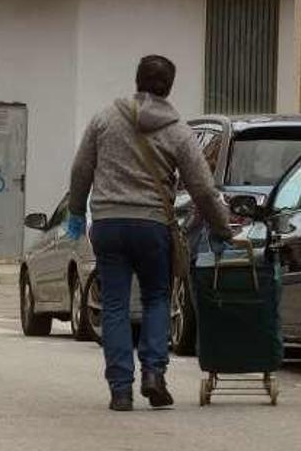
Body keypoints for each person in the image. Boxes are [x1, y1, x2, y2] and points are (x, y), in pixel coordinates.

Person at [66, 55, 236, 411]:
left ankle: (120, 389)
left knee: (114, 303)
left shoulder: (104, 118)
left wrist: (76, 212)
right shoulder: (177, 130)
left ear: (137, 80)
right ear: (169, 87)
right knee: (157, 297)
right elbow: (202, 188)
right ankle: (154, 374)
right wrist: (221, 227)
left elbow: (82, 167)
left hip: (109, 224)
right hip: (152, 226)